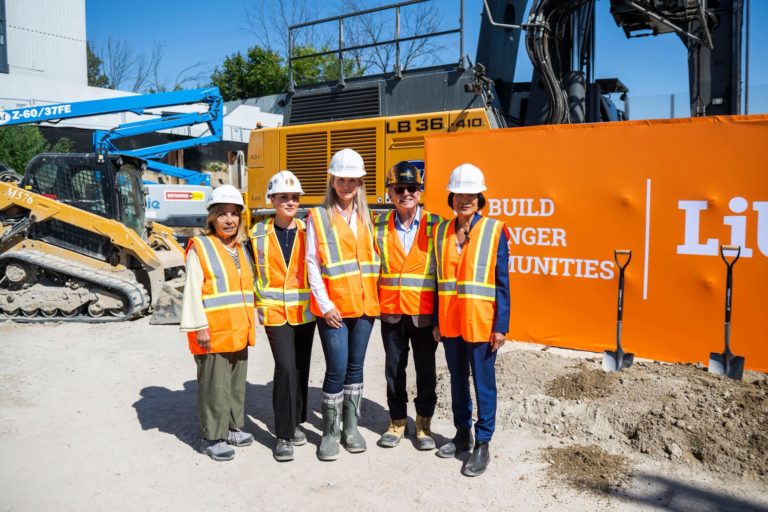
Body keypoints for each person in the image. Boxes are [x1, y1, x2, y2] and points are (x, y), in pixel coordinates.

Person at [432, 163, 510, 477]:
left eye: (472, 194)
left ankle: (483, 443)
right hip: (450, 322)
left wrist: (501, 326)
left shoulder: (495, 230)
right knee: (456, 380)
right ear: (451, 197)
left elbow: (503, 282)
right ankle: (462, 433)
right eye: (459, 194)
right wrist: (437, 320)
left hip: (481, 323)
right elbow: (438, 279)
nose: (465, 199)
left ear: (480, 198)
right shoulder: (441, 231)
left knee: (483, 383)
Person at [305, 148, 380, 461]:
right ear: (332, 180)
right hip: (334, 308)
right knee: (336, 367)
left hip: (364, 307)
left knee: (355, 367)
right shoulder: (318, 216)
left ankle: (351, 427)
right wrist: (325, 304)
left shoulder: (368, 217)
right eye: (342, 179)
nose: (348, 185)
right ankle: (330, 432)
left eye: (353, 180)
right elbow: (312, 262)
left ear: (360, 183)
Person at [179, 184, 256, 462]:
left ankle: (233, 427)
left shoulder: (240, 248)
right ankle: (212, 436)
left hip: (238, 328)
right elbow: (191, 290)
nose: (229, 220)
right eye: (223, 213)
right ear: (212, 217)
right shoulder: (201, 247)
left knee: (236, 383)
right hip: (212, 331)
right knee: (214, 385)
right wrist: (198, 326)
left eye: (234, 214)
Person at [373, 161, 441, 451]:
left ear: (419, 191)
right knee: (394, 370)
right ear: (390, 193)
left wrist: (441, 317)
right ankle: (397, 421)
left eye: (411, 188)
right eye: (399, 188)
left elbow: (445, 274)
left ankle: (423, 424)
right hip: (391, 312)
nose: (406, 193)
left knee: (425, 370)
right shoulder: (377, 225)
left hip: (423, 314)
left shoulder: (436, 225)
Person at [251, 170, 316, 462]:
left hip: (304, 313)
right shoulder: (257, 234)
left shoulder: (309, 231)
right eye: (283, 197)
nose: (289, 202)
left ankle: (297, 420)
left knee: (301, 368)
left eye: (294, 197)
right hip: (276, 313)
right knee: (286, 368)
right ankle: (283, 434)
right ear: (272, 199)